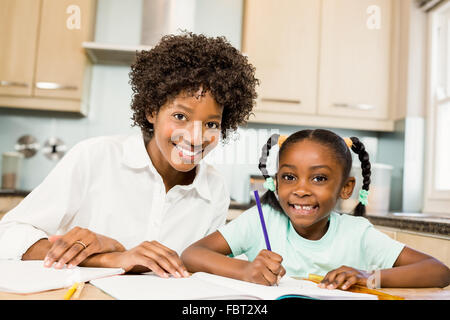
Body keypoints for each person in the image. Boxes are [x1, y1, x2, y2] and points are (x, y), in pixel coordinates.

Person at [0, 32, 258, 278]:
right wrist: (109, 258)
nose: (195, 137)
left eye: (211, 124)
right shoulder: (95, 157)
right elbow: (9, 236)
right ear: (151, 111)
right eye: (180, 117)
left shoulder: (215, 189)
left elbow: (197, 267)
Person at [181, 129, 450, 289]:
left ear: (346, 188)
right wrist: (244, 270)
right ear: (276, 181)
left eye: (319, 178)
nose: (301, 189)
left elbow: (439, 271)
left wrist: (369, 276)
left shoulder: (357, 233)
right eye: (289, 177)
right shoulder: (261, 219)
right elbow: (193, 254)